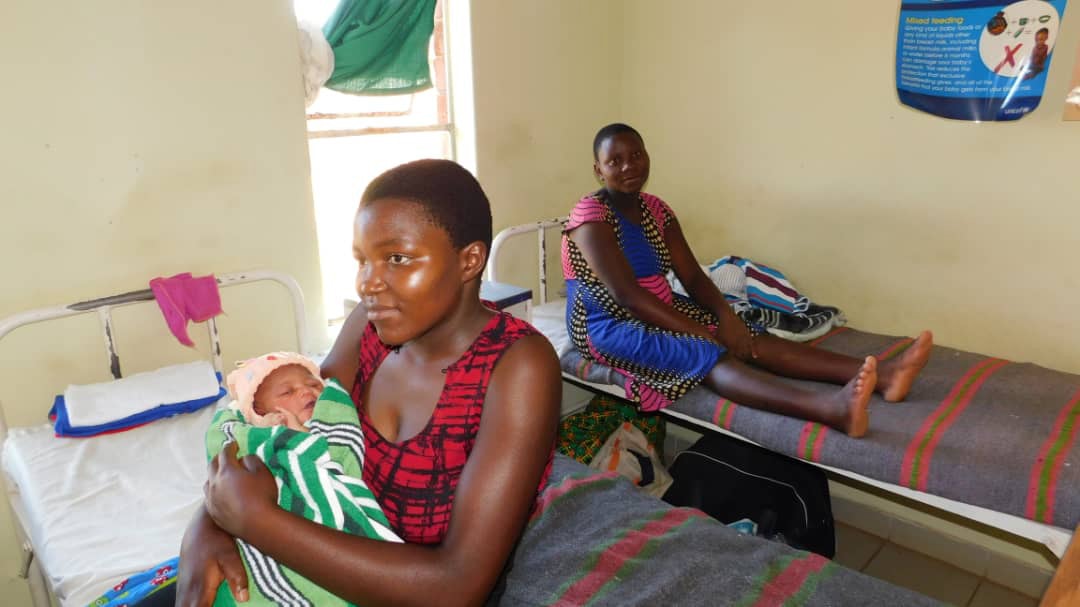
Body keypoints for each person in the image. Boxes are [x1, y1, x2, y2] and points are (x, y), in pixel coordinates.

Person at [173, 159, 562, 607]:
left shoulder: (518, 366)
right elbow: (287, 434)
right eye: (362, 261)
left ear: (469, 260)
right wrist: (207, 522)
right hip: (313, 553)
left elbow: (457, 585)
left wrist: (255, 521)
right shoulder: (368, 327)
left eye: (396, 259)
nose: (367, 284)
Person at [562, 123, 933, 437]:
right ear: (599, 170)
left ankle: (887, 376)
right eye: (615, 161)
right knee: (705, 353)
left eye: (636, 155)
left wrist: (725, 317)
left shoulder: (656, 210)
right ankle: (832, 410)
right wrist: (700, 332)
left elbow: (691, 275)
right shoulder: (591, 216)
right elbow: (628, 296)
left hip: (659, 307)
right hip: (607, 324)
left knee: (746, 335)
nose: (629, 166)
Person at [204, 352, 402, 606]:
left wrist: (302, 438)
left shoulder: (331, 422)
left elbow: (338, 463)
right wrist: (278, 434)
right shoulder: (258, 433)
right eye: (287, 392)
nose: (306, 391)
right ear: (258, 412)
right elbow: (233, 467)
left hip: (333, 543)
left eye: (313, 384)